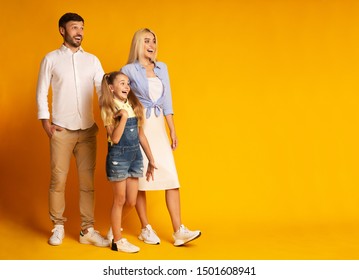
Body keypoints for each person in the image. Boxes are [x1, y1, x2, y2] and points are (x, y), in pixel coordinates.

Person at [119, 28, 201, 246]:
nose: (151, 44)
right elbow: (120, 96)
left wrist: (172, 128)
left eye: (154, 40)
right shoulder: (128, 69)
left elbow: (167, 101)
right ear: (138, 43)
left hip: (159, 128)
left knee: (171, 178)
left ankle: (179, 231)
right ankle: (145, 227)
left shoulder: (162, 67)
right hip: (139, 126)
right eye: (146, 40)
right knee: (140, 180)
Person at [36, 12, 109, 247]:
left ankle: (87, 230)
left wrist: (112, 118)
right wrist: (45, 121)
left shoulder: (93, 61)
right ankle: (57, 225)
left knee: (87, 183)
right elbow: (41, 91)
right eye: (74, 27)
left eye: (82, 28)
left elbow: (102, 93)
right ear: (62, 30)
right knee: (58, 179)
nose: (79, 32)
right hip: (61, 130)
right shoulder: (51, 59)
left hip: (88, 131)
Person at [100, 71, 156, 253]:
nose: (127, 86)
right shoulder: (108, 108)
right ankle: (117, 240)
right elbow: (115, 139)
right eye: (122, 83)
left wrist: (151, 159)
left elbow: (141, 135)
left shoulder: (132, 105)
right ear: (111, 88)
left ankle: (114, 229)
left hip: (135, 157)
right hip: (118, 158)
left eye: (128, 83)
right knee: (119, 200)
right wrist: (123, 117)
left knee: (131, 201)